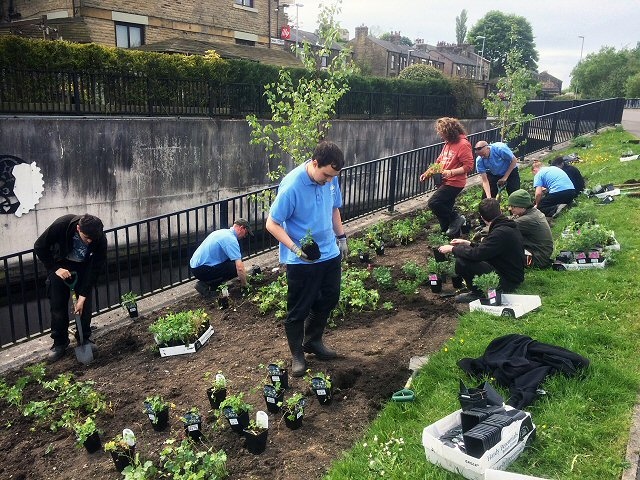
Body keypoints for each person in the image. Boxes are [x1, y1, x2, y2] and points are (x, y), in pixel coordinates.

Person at [265, 141, 349, 377]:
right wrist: (296, 249)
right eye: (326, 175)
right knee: (298, 309)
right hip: (303, 260)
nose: (329, 180)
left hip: (329, 253)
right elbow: (272, 223)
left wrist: (341, 237)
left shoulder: (331, 178)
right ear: (314, 163)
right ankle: (297, 355)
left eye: (333, 176)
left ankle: (313, 340)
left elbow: (334, 208)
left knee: (330, 297)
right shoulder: (292, 186)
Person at [34, 214, 107, 362]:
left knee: (84, 306)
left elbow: (96, 267)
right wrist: (56, 268)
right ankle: (60, 342)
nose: (89, 242)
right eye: (86, 238)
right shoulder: (62, 225)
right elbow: (39, 246)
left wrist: (83, 296)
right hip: (60, 266)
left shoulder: (98, 238)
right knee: (58, 307)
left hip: (83, 269)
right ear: (78, 228)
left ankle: (84, 338)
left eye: (92, 239)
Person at [438, 198, 524, 303]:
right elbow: (489, 249)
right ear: (500, 211)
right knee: (466, 254)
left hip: (508, 281)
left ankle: (477, 293)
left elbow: (477, 254)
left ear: (483, 218)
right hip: (510, 272)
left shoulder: (500, 232)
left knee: (462, 262)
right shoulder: (506, 225)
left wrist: (452, 249)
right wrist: (468, 243)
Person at [419, 117, 474, 236]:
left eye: (442, 133)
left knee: (434, 202)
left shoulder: (463, 144)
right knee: (445, 208)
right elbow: (439, 163)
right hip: (444, 181)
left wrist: (451, 172)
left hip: (455, 182)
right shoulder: (448, 144)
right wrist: (427, 174)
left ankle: (457, 218)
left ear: (449, 132)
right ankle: (448, 235)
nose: (440, 136)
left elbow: (469, 166)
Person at [189, 218, 253, 296]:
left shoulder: (223, 232)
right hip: (202, 269)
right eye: (246, 233)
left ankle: (212, 282)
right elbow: (239, 267)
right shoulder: (231, 240)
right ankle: (208, 285)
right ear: (241, 228)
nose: (245, 236)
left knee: (232, 263)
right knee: (233, 269)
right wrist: (245, 284)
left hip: (195, 266)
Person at [507, 189, 554, 269]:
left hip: (537, 259)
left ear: (522, 206)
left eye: (513, 206)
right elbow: (509, 219)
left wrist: (482, 232)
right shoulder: (534, 212)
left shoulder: (528, 219)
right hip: (540, 253)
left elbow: (503, 227)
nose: (510, 209)